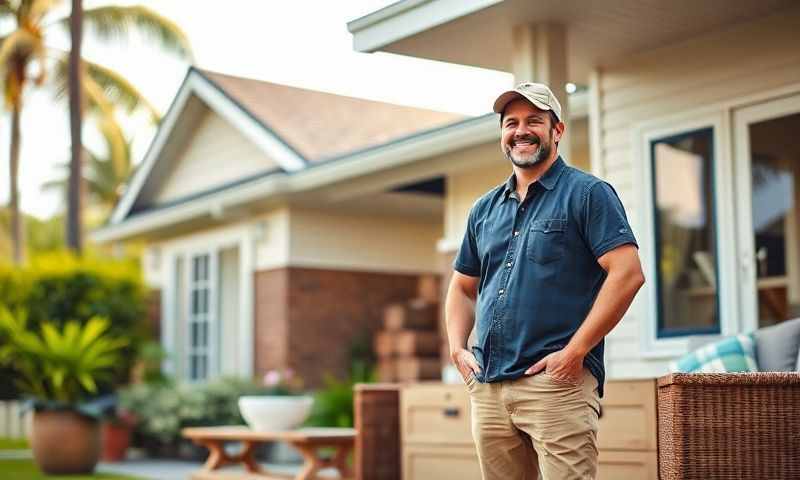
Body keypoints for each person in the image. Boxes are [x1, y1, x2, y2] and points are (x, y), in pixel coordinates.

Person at [445, 82, 645, 480]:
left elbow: (627, 274)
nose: (521, 130)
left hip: (556, 385)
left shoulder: (588, 194)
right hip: (487, 385)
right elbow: (461, 287)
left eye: (534, 121)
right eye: (511, 123)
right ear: (502, 134)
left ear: (557, 131)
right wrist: (456, 349)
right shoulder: (483, 210)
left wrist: (575, 352)